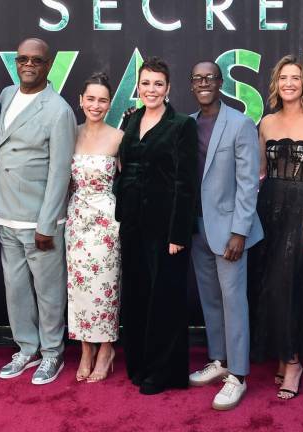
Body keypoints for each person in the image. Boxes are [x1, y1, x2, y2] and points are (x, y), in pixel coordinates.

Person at [0, 38, 77, 385]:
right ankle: (27, 348)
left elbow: (60, 171)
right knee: (16, 290)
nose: (28, 65)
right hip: (5, 212)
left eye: (36, 60)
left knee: (48, 293)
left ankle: (52, 352)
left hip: (40, 220)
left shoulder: (58, 110)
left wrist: (46, 223)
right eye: (22, 59)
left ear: (48, 65)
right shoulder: (6, 95)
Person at [249, 54, 303, 400]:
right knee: (269, 284)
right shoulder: (267, 123)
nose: (289, 83)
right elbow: (259, 172)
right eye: (283, 77)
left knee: (291, 284)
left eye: (295, 77)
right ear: (276, 83)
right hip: (269, 208)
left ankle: (295, 361)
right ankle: (282, 355)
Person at [115, 56, 198, 395]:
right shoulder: (131, 119)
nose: (151, 89)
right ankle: (139, 364)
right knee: (137, 295)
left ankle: (164, 372)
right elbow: (124, 167)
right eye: (146, 83)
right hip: (132, 223)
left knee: (164, 299)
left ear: (168, 88)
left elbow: (186, 182)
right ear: (138, 86)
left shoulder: (181, 125)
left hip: (166, 229)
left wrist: (178, 233)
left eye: (158, 84)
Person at [186, 61, 263, 410]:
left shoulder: (240, 123)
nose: (204, 83)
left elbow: (248, 182)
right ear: (192, 85)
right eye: (198, 79)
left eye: (210, 78)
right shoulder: (188, 124)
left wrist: (239, 231)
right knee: (210, 299)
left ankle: (239, 375)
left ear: (220, 83)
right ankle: (219, 360)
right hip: (197, 227)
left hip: (230, 230)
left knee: (234, 302)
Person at [66, 72, 123, 383]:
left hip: (107, 223)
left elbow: (129, 182)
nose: (96, 105)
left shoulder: (119, 137)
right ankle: (85, 349)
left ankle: (106, 349)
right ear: (80, 100)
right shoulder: (70, 133)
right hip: (76, 220)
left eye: (102, 100)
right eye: (90, 99)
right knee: (79, 288)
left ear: (109, 104)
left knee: (105, 287)